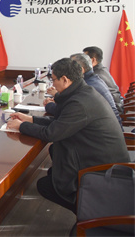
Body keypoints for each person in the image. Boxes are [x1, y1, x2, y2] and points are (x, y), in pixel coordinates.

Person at [7, 58, 129, 213]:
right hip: (105, 162)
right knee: (55, 161)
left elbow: (51, 133)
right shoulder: (84, 92)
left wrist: (21, 126)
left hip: (104, 172)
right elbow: (61, 123)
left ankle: (92, 213)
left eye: (54, 80)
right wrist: (30, 119)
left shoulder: (79, 102)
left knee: (46, 185)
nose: (52, 84)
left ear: (65, 79)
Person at [44, 53, 122, 128]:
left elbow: (70, 113)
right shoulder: (90, 80)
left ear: (80, 69)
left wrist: (50, 105)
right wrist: (58, 97)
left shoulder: (90, 85)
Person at [83, 46, 124, 113]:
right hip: (117, 105)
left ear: (93, 60)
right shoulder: (102, 69)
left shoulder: (95, 76)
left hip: (113, 111)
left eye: (84, 59)